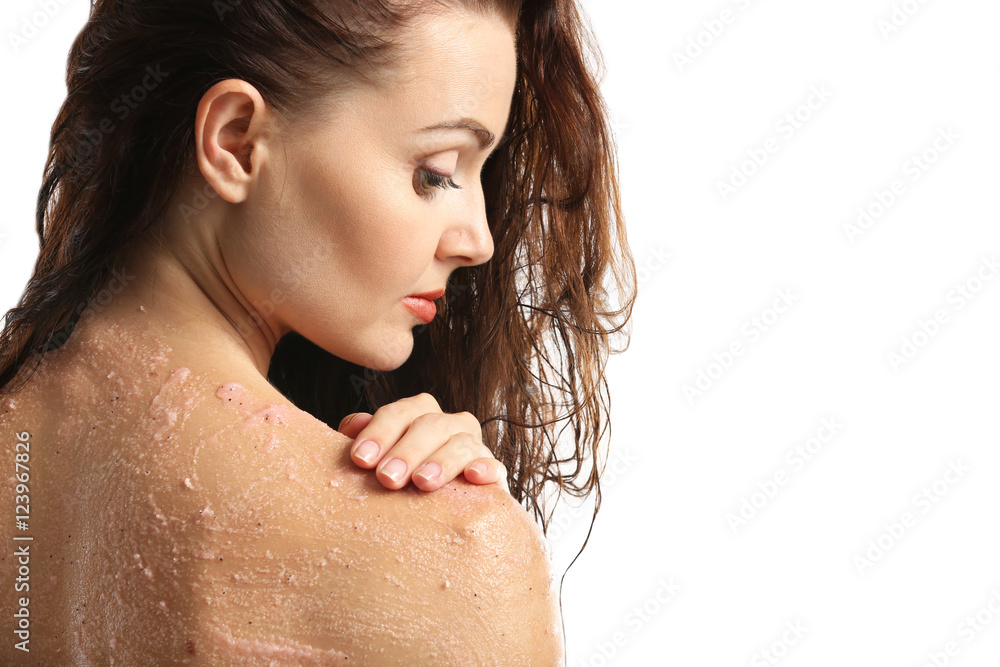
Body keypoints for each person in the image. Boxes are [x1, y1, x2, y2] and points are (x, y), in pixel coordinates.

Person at [0, 0, 635, 663]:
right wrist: (461, 533)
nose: (479, 239)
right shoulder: (447, 557)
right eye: (435, 173)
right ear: (236, 141)